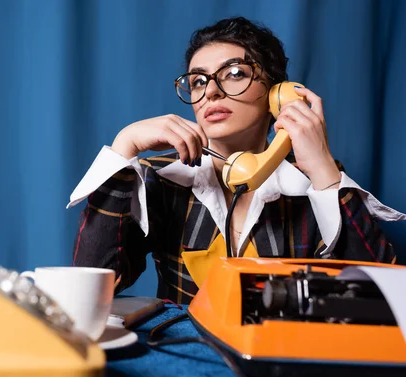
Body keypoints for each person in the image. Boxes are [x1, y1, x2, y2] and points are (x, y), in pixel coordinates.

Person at [67, 17, 405, 304]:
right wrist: (123, 149)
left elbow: (381, 299)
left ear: (276, 93)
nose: (210, 91)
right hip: (183, 361)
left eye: (234, 74)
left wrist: (323, 171)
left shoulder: (313, 184)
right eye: (198, 81)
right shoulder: (162, 179)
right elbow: (89, 287)